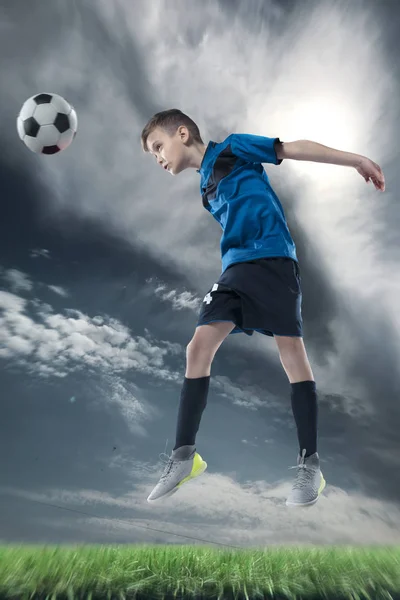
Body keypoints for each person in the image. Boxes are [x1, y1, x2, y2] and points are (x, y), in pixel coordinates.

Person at [141, 108, 385, 508]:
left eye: (157, 147)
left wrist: (355, 159)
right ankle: (184, 456)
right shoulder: (205, 188)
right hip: (235, 269)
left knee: (292, 355)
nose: (158, 158)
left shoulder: (234, 149)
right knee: (197, 348)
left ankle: (311, 467)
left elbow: (293, 149)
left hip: (274, 261)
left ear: (181, 133)